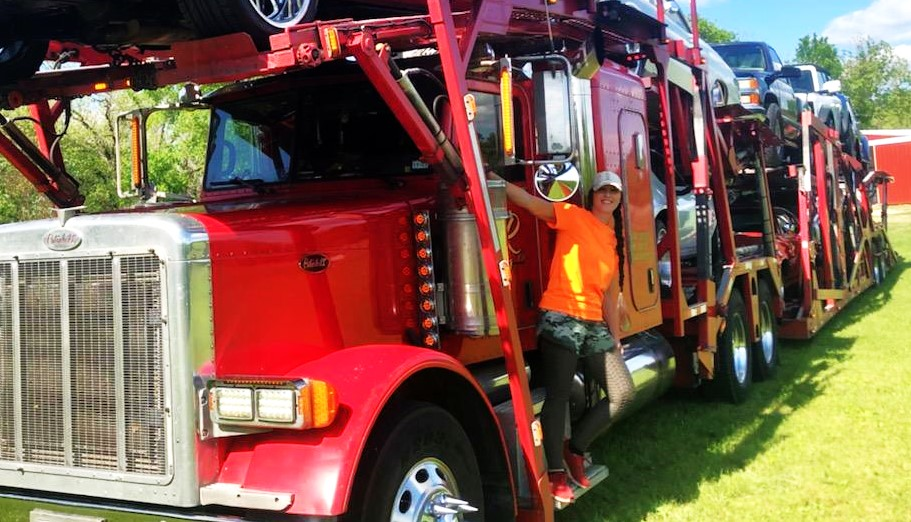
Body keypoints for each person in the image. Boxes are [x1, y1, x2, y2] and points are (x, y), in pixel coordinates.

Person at [489, 169, 635, 504]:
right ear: (592, 195)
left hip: (593, 323)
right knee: (557, 396)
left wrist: (614, 338)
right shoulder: (573, 217)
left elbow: (611, 297)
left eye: (614, 191)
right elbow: (531, 204)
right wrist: (494, 178)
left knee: (623, 394)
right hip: (560, 316)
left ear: (619, 198)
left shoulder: (612, 243)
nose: (608, 196)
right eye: (602, 191)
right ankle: (554, 472)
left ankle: (576, 449)